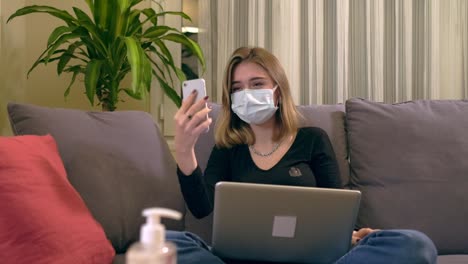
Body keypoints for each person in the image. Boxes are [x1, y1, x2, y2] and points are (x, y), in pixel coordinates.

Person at [171, 46, 437, 264]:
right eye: (238, 88)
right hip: (243, 259)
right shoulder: (228, 149)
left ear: (277, 90)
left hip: (312, 259)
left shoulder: (312, 140)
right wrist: (184, 149)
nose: (247, 94)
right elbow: (201, 208)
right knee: (169, 242)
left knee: (414, 244)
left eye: (257, 83)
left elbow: (336, 210)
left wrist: (352, 235)